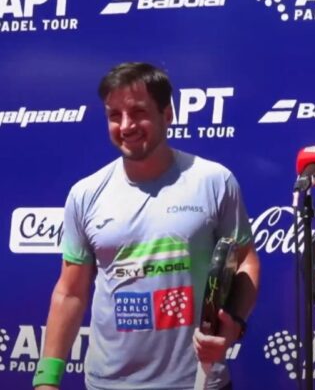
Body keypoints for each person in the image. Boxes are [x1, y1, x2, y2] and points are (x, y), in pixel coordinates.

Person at [32, 62, 260, 390]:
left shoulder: (214, 181)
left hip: (198, 382)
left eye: (138, 112)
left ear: (167, 114)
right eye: (114, 115)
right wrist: (47, 379)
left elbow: (246, 260)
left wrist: (233, 323)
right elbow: (70, 293)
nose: (126, 126)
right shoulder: (85, 194)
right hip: (108, 384)